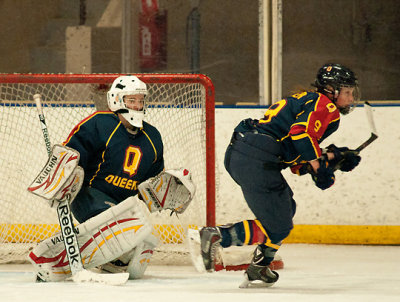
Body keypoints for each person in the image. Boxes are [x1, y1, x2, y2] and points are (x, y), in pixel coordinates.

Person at [195, 63, 362, 288]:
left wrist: (332, 159)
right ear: (331, 90)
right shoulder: (326, 107)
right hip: (258, 157)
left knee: (286, 209)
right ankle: (217, 236)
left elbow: (296, 160)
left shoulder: (310, 101)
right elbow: (300, 133)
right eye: (348, 92)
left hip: (246, 152)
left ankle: (259, 267)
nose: (351, 98)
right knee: (279, 226)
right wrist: (319, 166)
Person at [28, 75, 195, 281]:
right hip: (90, 196)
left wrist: (159, 192)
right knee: (118, 228)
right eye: (131, 100)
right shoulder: (100, 123)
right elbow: (71, 157)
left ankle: (112, 260)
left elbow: (150, 183)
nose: (137, 105)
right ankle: (58, 256)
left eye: (140, 100)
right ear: (116, 99)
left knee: (141, 247)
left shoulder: (153, 137)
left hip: (124, 206)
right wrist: (62, 177)